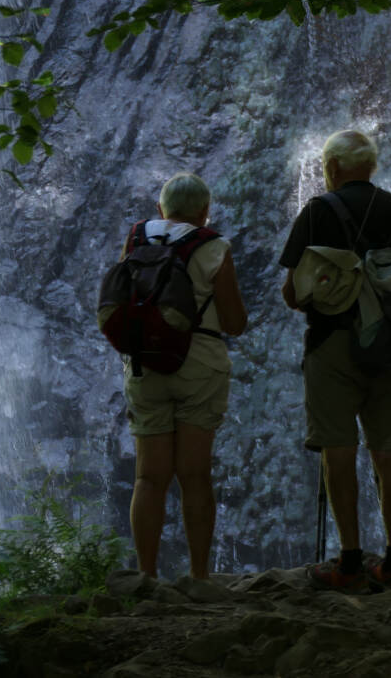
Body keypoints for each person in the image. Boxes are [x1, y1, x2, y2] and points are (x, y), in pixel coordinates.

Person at [279, 129, 391, 592]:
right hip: (389, 349)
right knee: (390, 452)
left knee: (338, 449)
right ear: (371, 167)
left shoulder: (316, 213)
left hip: (331, 349)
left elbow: (292, 293)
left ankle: (348, 562)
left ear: (331, 169)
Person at [121, 172, 247, 580]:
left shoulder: (138, 237)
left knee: (148, 476)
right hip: (199, 366)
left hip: (146, 364)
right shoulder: (213, 246)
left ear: (161, 208)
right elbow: (233, 322)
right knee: (194, 475)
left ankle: (146, 576)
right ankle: (198, 577)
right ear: (204, 212)